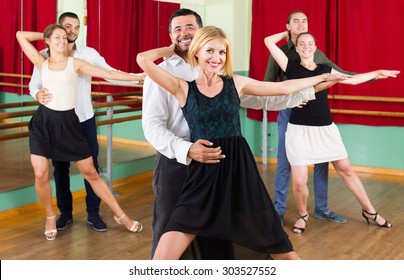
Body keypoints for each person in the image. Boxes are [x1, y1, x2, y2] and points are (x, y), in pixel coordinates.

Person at [138, 25, 346, 260]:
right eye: (210, 51)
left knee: (278, 246)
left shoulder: (235, 83)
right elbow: (142, 59)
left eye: (222, 52)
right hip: (202, 176)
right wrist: (169, 49)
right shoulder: (182, 87)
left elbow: (283, 87)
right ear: (197, 51)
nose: (217, 58)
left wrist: (323, 76)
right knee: (163, 256)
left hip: (239, 171)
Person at [16, 24, 144, 240]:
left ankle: (121, 215)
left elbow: (106, 73)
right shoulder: (42, 62)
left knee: (91, 173)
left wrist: (138, 78)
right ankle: (50, 215)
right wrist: (49, 34)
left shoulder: (75, 64)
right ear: (47, 40)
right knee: (40, 173)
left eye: (65, 38)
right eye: (57, 38)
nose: (62, 41)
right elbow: (20, 35)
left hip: (68, 124)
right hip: (43, 123)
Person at [264, 30, 398, 233]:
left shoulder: (326, 69)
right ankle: (303, 214)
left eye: (310, 43)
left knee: (347, 170)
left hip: (325, 130)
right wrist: (288, 32)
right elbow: (267, 41)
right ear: (297, 48)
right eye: (302, 43)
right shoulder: (290, 67)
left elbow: (351, 79)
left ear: (315, 48)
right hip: (298, 131)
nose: (306, 46)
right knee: (299, 181)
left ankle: (370, 211)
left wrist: (376, 73)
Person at [264, 10, 356, 225]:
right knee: (285, 163)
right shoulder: (280, 52)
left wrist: (366, 77)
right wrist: (290, 98)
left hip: (315, 115)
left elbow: (338, 72)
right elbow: (269, 84)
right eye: (295, 21)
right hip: (290, 112)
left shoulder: (315, 51)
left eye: (304, 21)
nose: (300, 24)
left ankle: (322, 209)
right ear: (288, 26)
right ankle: (278, 210)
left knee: (322, 162)